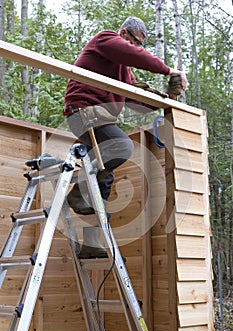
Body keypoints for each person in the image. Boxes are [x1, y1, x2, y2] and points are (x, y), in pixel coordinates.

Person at [64, 16, 187, 258]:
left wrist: (165, 99)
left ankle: (92, 242)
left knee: (103, 179)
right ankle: (78, 186)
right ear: (123, 33)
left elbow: (137, 100)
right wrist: (169, 70)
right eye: (134, 41)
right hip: (82, 112)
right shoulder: (105, 39)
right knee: (121, 146)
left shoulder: (124, 72)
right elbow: (132, 55)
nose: (135, 48)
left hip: (101, 119)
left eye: (139, 45)